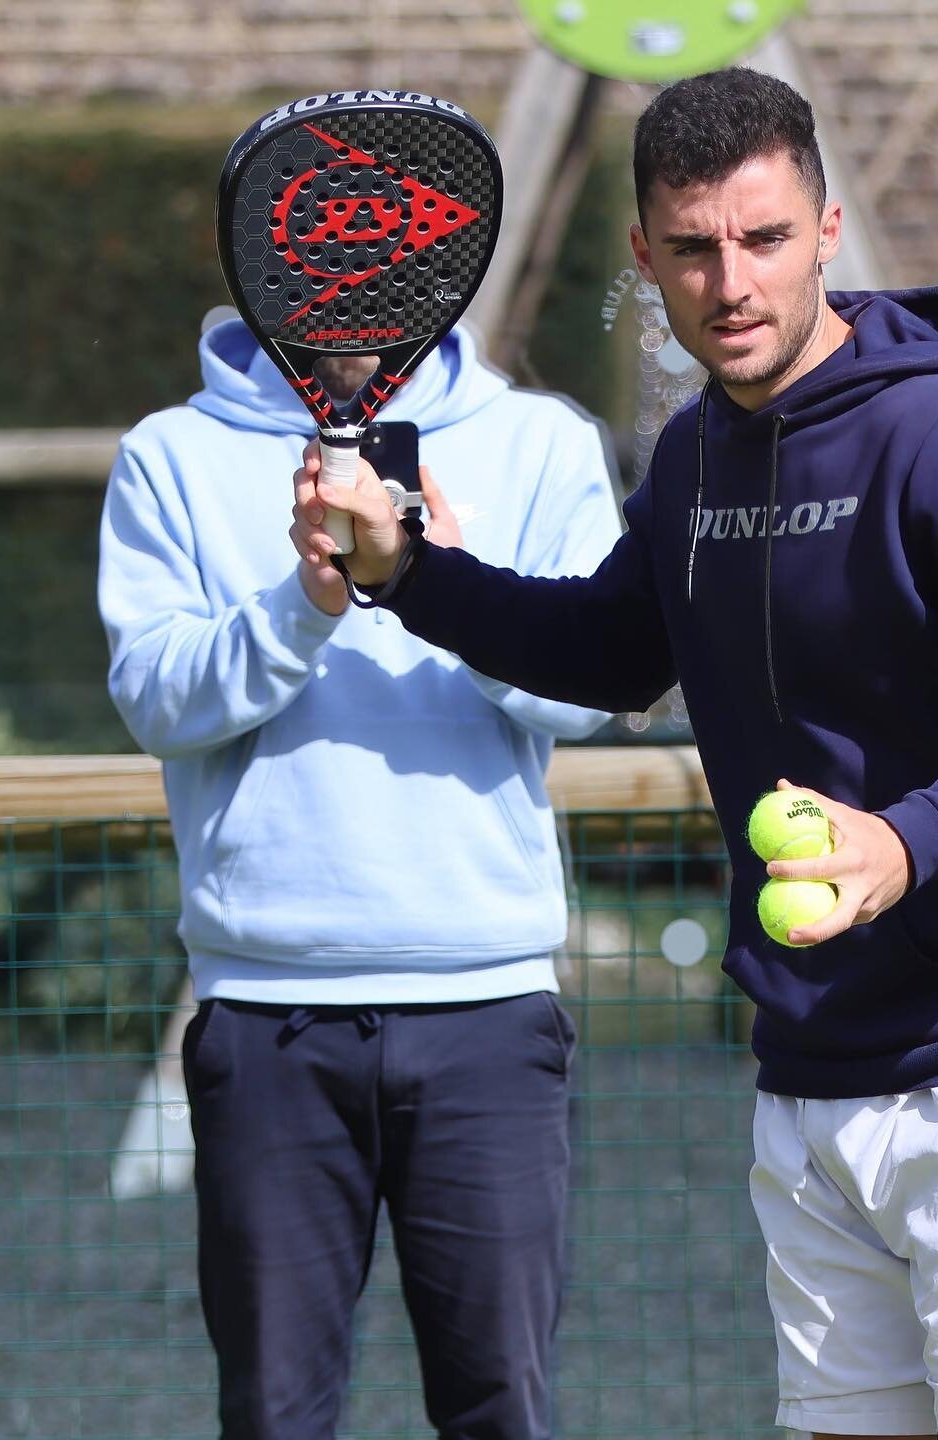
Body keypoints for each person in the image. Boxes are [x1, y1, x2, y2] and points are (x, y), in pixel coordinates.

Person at [292, 67, 938, 1440]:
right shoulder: (694, 458)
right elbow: (614, 650)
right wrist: (411, 575)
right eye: (692, 248)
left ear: (827, 229)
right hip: (811, 1084)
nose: (728, 281)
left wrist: (902, 844)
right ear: (646, 257)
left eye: (761, 239)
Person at [98, 314, 622, 1440]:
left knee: (501, 1414)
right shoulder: (169, 453)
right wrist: (309, 601)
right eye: (318, 251)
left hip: (489, 1011)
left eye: (385, 250)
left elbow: (589, 689)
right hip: (265, 1018)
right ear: (270, 261)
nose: (352, 285)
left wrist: (438, 580)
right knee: (276, 1418)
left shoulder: (541, 441)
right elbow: (156, 700)